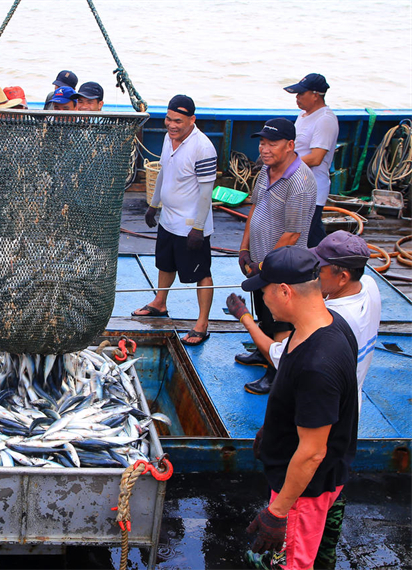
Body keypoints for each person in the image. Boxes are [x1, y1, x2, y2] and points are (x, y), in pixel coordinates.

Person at [229, 231, 381, 570]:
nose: (263, 301)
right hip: (303, 477)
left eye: (264, 293)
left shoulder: (318, 365)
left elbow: (313, 451)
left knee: (293, 564)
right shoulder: (330, 322)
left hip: (303, 493)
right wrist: (273, 431)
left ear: (285, 291)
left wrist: (279, 511)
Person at [235, 118, 316, 394]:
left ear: (290, 145)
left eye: (272, 143)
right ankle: (263, 350)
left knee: (281, 318)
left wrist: (264, 265)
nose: (264, 149)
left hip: (281, 266)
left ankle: (276, 371)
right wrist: (245, 248)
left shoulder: (300, 183)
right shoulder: (265, 171)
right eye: (262, 142)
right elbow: (255, 208)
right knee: (264, 309)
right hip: (260, 260)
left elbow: (293, 234)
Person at [133, 95, 217, 346]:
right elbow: (163, 172)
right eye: (168, 119)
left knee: (201, 272)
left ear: (192, 120)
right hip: (168, 219)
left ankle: (202, 323)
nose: (171, 125)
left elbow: (206, 192)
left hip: (191, 225)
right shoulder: (169, 139)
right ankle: (160, 302)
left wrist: (198, 229)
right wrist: (154, 204)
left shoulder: (203, 148)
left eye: (178, 121)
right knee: (165, 263)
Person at [284, 73, 339, 247]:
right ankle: (328, 263)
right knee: (311, 233)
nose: (297, 98)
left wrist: (283, 163)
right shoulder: (303, 115)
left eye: (302, 94)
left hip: (312, 189)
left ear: (316, 95)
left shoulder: (325, 120)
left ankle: (328, 265)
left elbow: (316, 158)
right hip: (297, 183)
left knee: (306, 234)